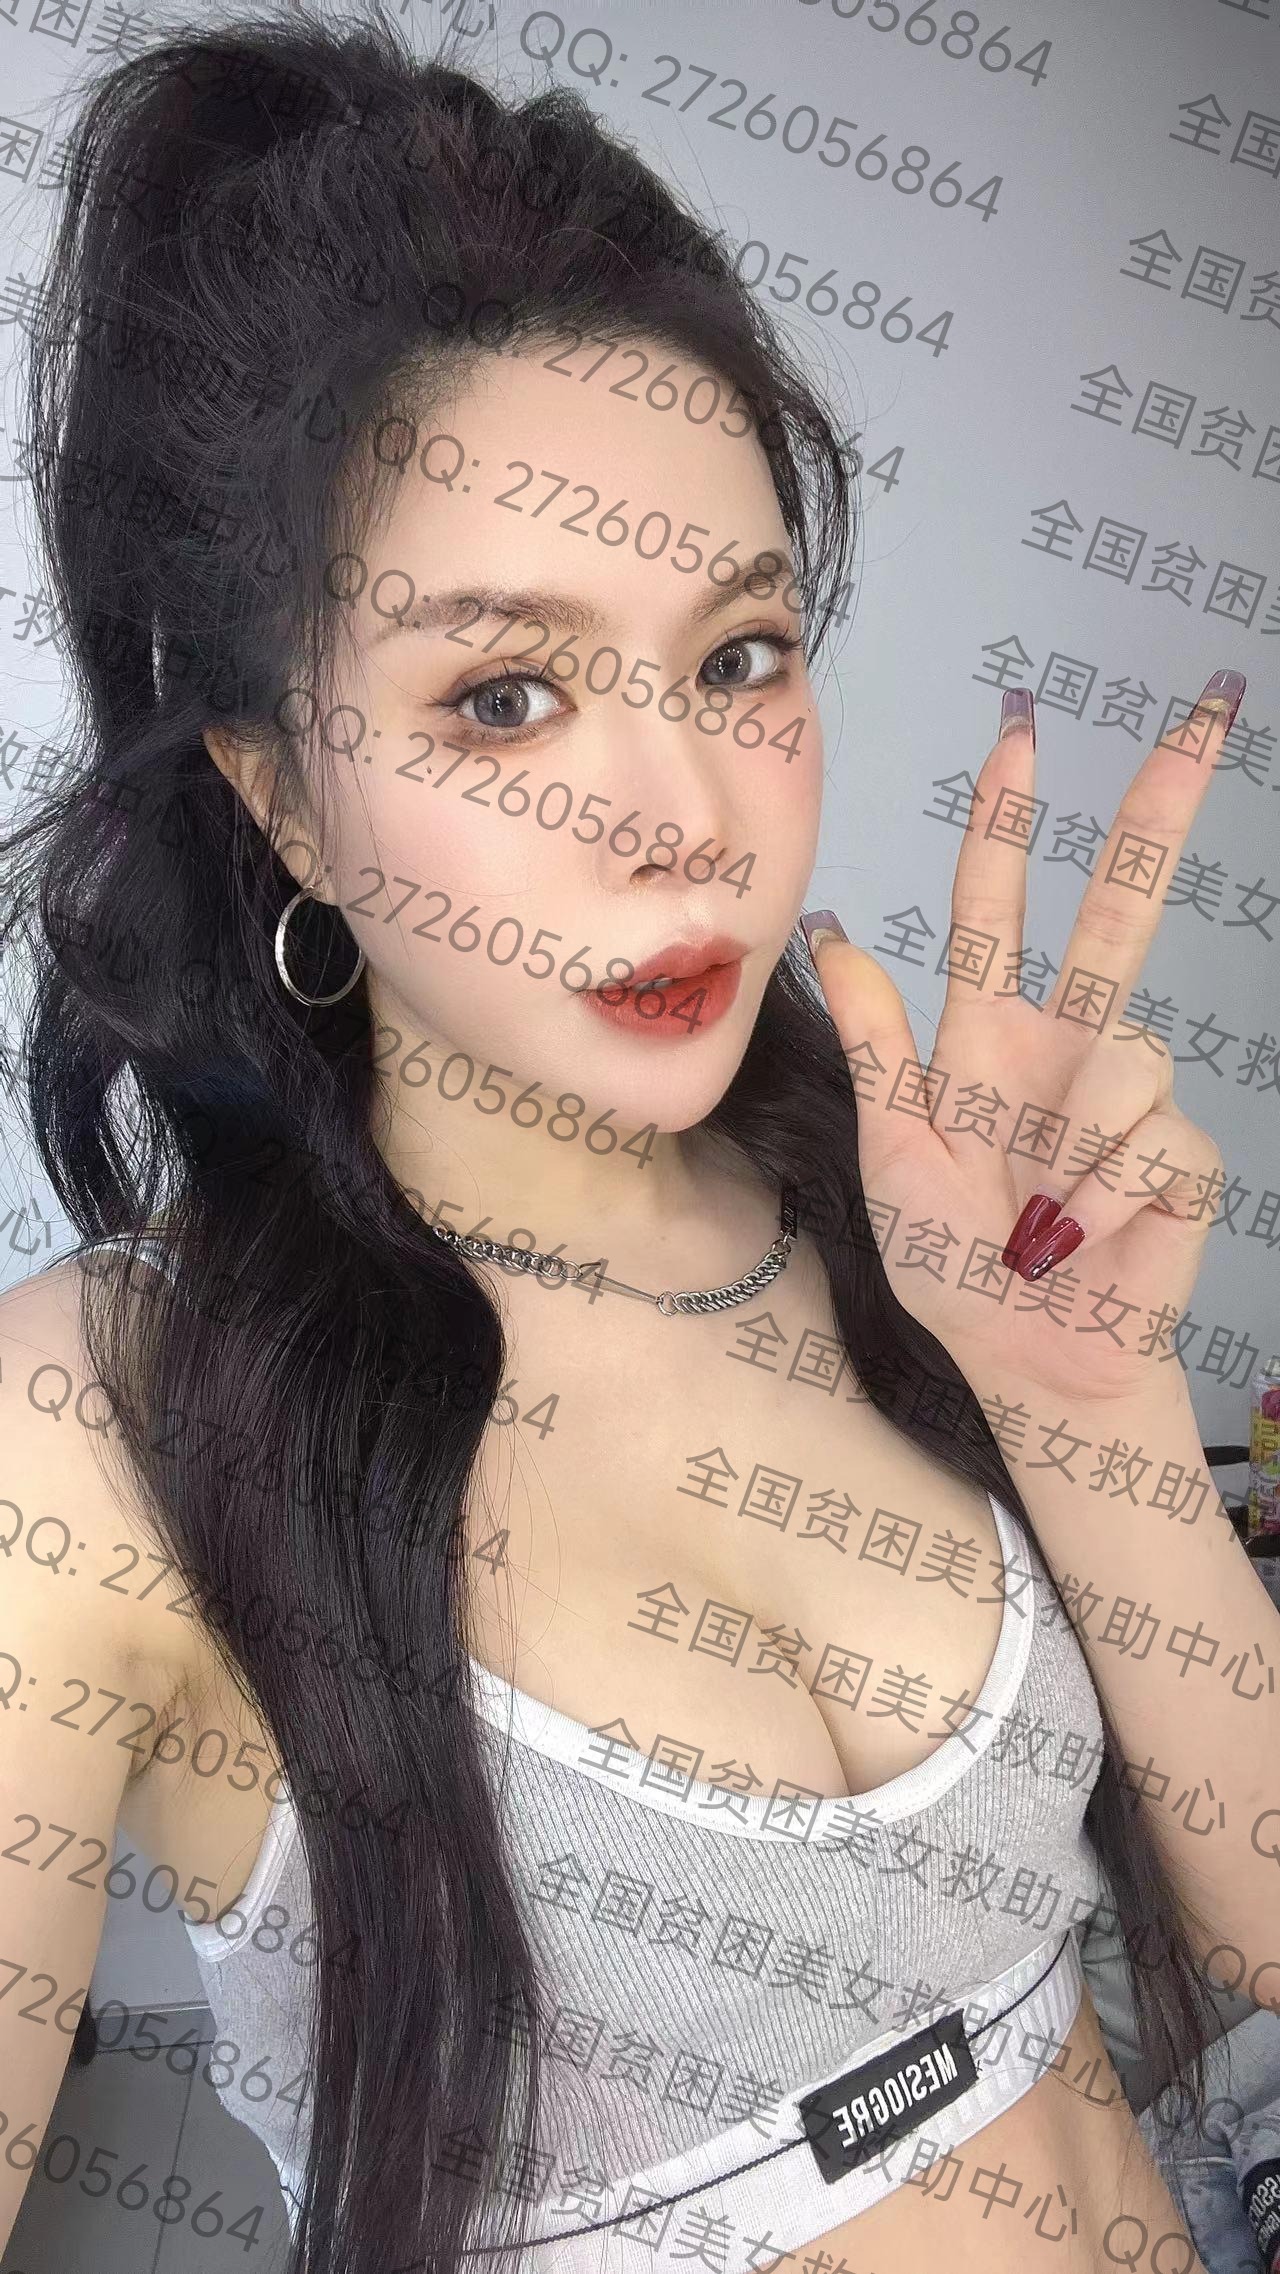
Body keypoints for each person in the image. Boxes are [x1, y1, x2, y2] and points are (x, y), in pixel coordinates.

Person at [1, 9, 1275, 2271]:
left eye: (739, 657)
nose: (683, 817)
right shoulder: (100, 1432)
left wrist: (1092, 1421)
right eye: (506, 696)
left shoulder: (882, 1203)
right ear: (278, 792)